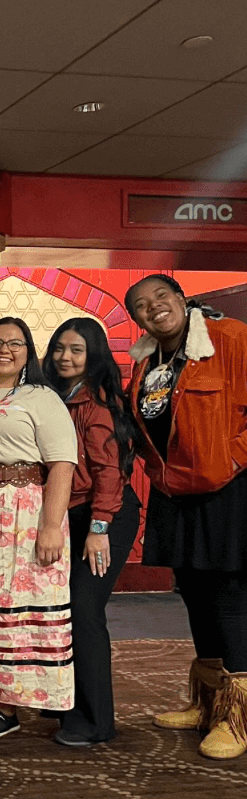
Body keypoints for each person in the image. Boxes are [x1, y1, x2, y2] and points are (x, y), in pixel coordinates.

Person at [125, 274, 247, 760]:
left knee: (230, 595)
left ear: (181, 299)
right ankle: (210, 702)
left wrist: (233, 457)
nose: (152, 309)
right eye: (140, 306)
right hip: (174, 492)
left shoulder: (231, 339)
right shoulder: (149, 362)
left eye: (160, 297)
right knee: (193, 591)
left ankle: (237, 718)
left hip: (229, 491)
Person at [0, 317, 77, 740]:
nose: (4, 349)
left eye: (16, 343)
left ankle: (7, 705)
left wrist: (51, 527)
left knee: (17, 606)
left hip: (26, 509)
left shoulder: (41, 398)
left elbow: (62, 463)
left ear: (29, 353)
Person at [43, 318, 141, 747]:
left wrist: (99, 528)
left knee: (84, 611)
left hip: (105, 518)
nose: (66, 357)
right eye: (60, 348)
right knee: (63, 610)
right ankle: (68, 705)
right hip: (70, 515)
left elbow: (108, 471)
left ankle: (95, 721)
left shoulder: (96, 401)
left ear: (94, 355)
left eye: (76, 350)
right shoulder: (52, 396)